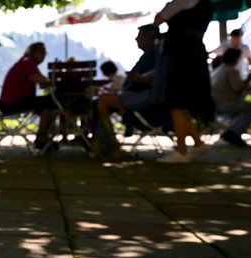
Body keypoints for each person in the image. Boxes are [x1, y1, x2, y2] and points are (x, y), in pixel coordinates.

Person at [152, 0, 215, 163]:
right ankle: (198, 143)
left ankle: (182, 151)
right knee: (181, 103)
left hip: (180, 53)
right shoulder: (206, 3)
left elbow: (159, 18)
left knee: (175, 102)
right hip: (195, 51)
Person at [91, 24, 163, 159]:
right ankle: (105, 145)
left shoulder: (154, 55)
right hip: (137, 93)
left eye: (139, 36)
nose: (136, 39)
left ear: (149, 37)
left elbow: (155, 80)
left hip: (144, 95)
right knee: (101, 102)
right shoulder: (152, 55)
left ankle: (109, 146)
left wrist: (139, 80)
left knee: (102, 102)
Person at [0, 42, 58, 150]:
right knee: (50, 103)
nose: (44, 54)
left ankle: (43, 136)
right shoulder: (27, 62)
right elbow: (41, 80)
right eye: (41, 51)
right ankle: (41, 137)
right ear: (33, 52)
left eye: (45, 52)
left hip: (13, 102)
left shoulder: (26, 62)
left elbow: (41, 82)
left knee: (48, 104)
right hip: (12, 104)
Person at [211, 48, 251, 147]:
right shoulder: (230, 70)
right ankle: (233, 133)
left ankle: (231, 132)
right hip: (227, 103)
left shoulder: (219, 69)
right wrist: (250, 78)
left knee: (247, 109)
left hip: (217, 103)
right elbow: (238, 89)